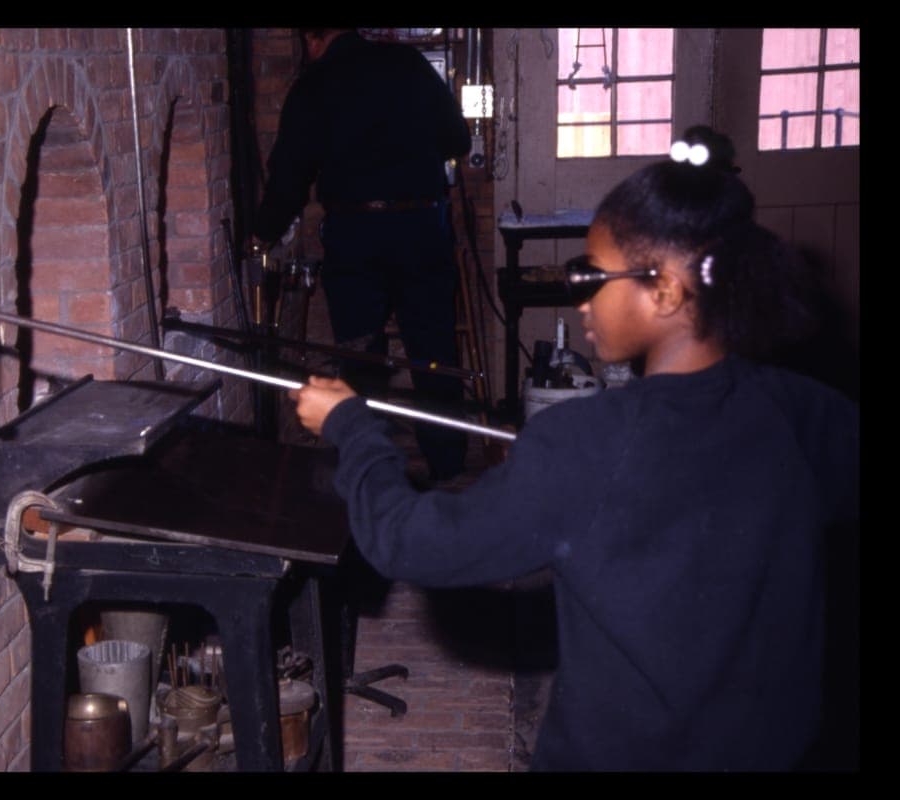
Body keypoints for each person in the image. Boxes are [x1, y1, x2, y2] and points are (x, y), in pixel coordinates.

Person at [288, 127, 860, 770]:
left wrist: (351, 426)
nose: (577, 296)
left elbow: (412, 542)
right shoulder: (809, 411)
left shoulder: (588, 442)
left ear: (666, 290)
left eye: (590, 274)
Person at [252, 28, 472, 481]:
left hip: (357, 235)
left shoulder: (314, 84)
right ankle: (450, 474)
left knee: (362, 360)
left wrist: (260, 234)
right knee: (433, 356)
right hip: (421, 228)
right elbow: (458, 140)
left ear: (313, 41)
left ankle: (370, 476)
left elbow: (289, 178)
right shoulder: (410, 65)